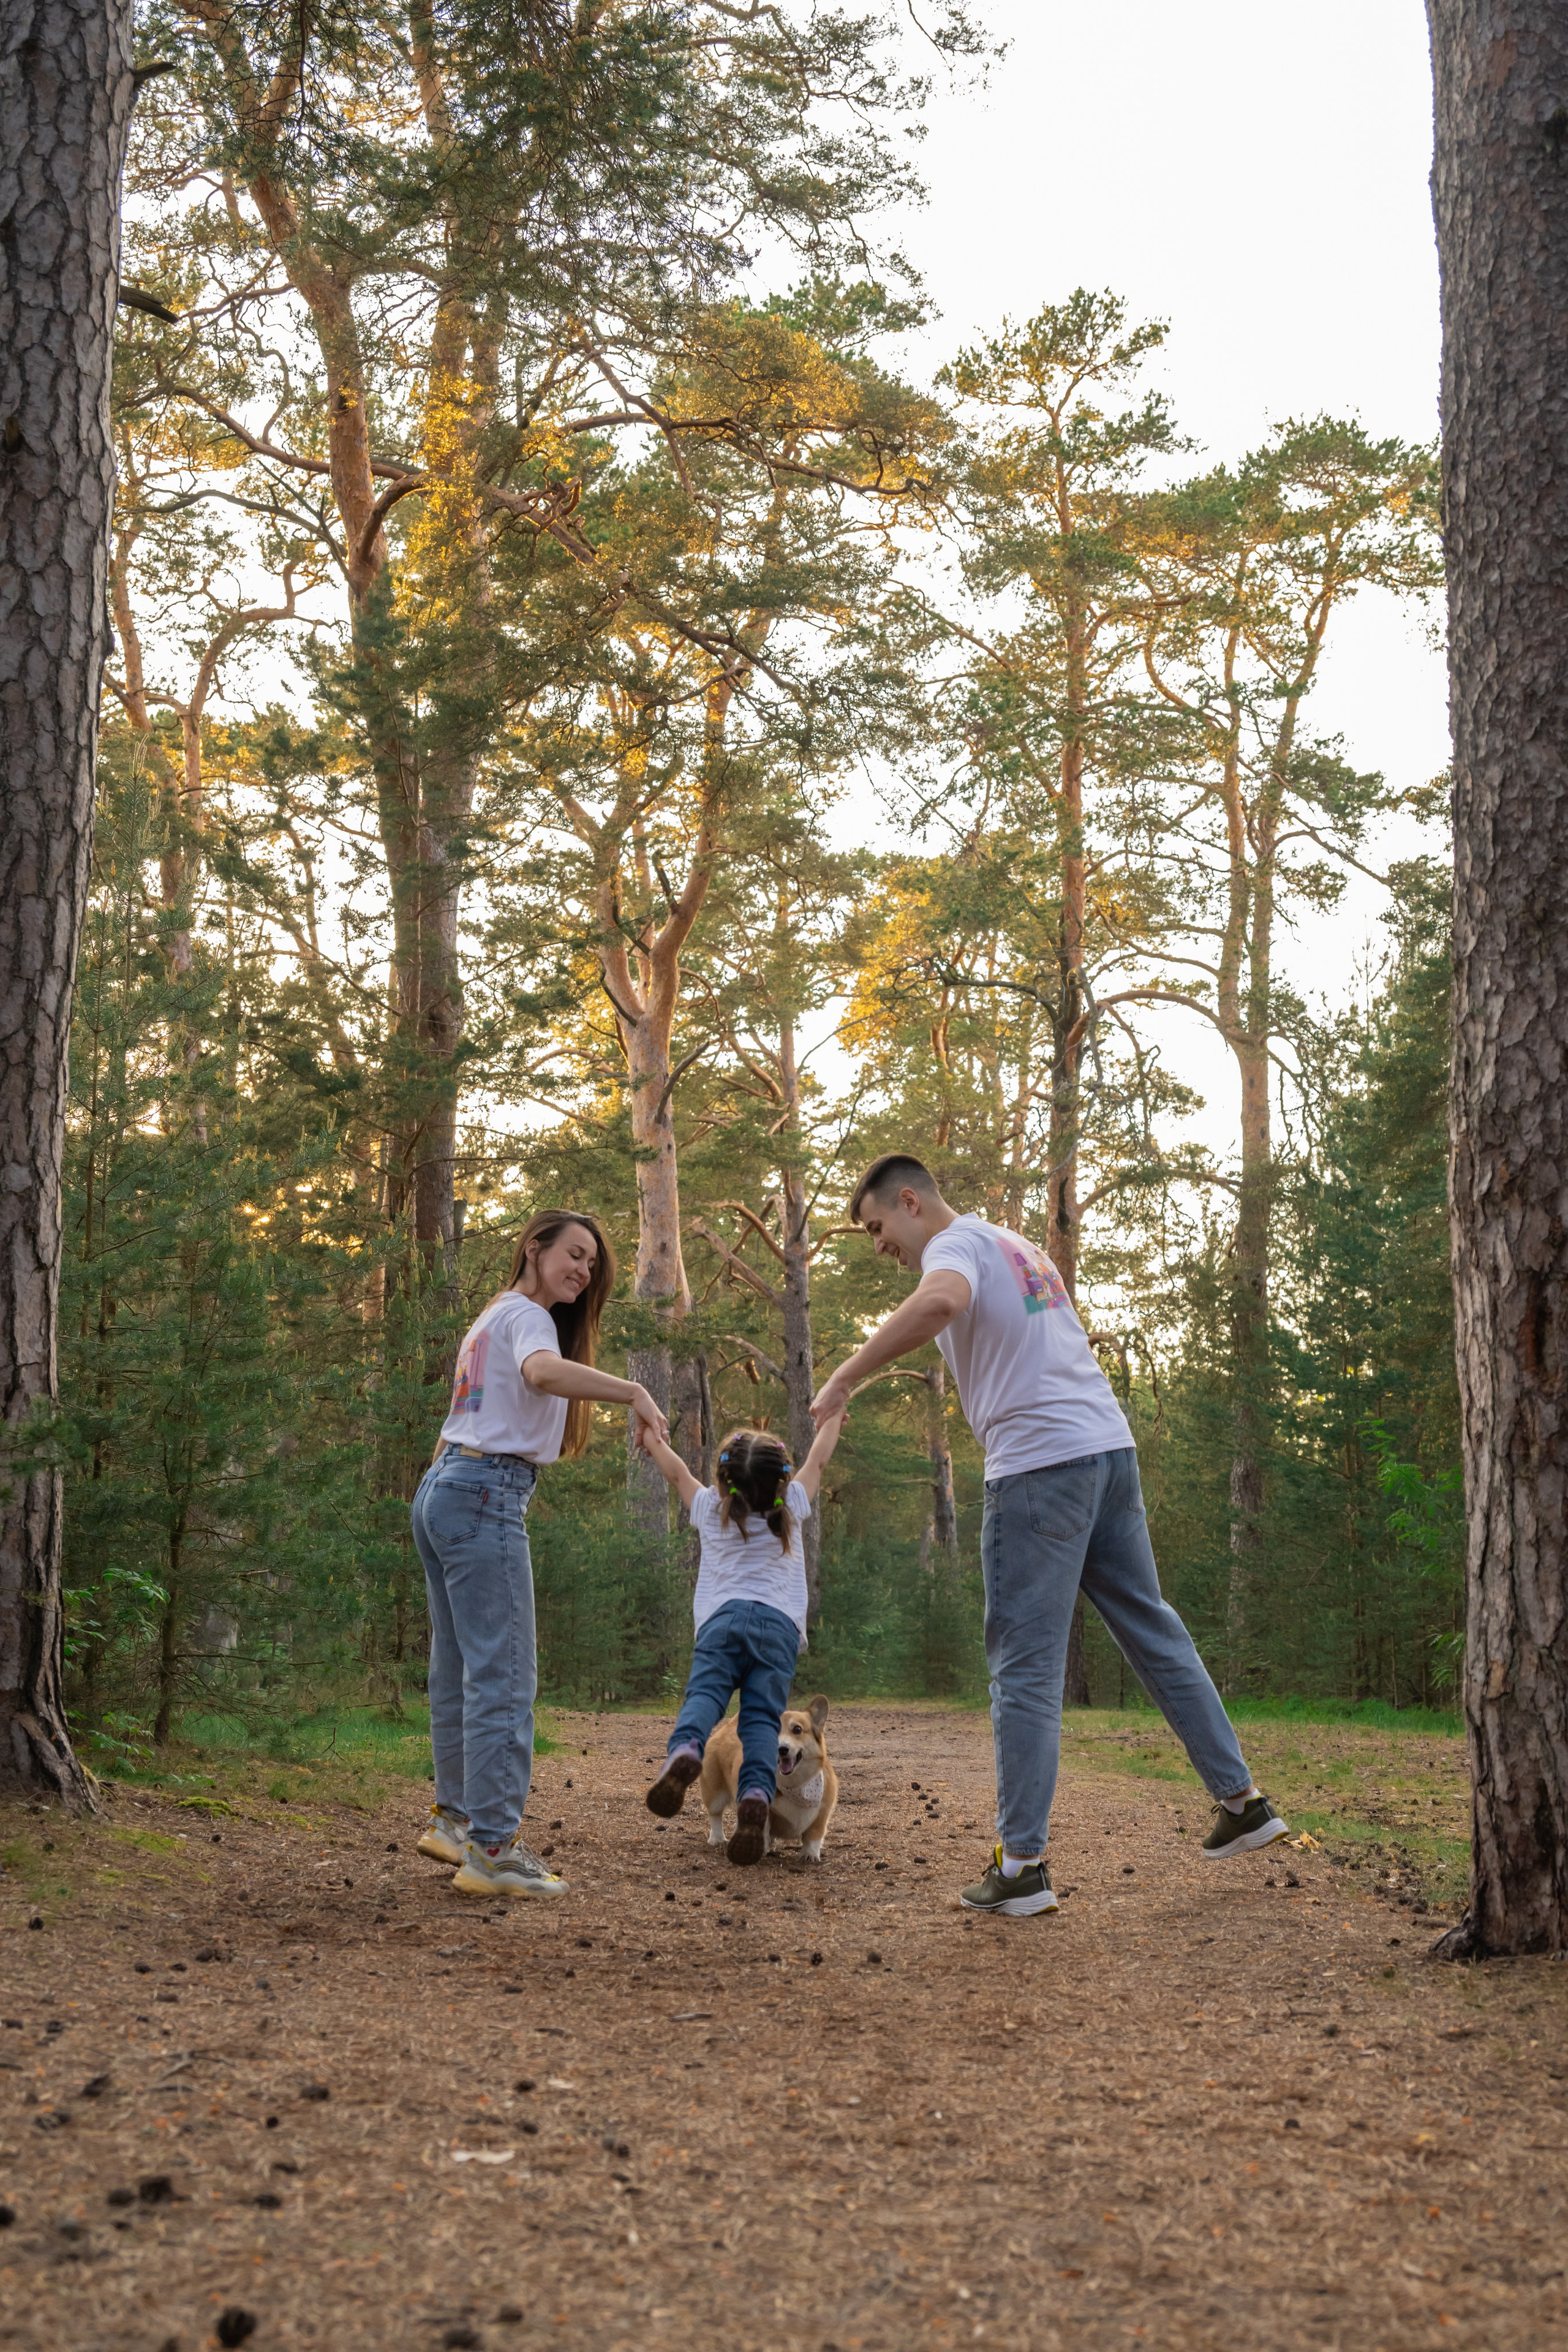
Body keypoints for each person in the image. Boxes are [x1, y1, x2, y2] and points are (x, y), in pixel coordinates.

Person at [809, 1155, 1288, 1920]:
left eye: (877, 1228)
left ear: (910, 1202)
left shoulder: (952, 1249)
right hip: (1107, 1452)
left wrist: (844, 1376)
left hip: (1039, 1469)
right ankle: (1244, 1803)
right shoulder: (1017, 1245)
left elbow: (938, 1304)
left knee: (1023, 1668)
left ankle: (1022, 1867)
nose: (878, 1245)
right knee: (1152, 1629)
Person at [410, 1208, 668, 1899]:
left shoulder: (491, 1316)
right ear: (534, 1249)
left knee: (460, 1667)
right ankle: (493, 1849)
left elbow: (464, 1416)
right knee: (506, 1678)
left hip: (447, 1485)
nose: (584, 1271)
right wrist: (632, 1391)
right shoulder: (529, 1319)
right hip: (483, 1491)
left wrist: (448, 1491)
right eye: (575, 1255)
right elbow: (544, 1373)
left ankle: (456, 1822)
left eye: (592, 1264)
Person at [638, 1414, 845, 1864]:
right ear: (782, 1482)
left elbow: (675, 1472)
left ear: (724, 1479)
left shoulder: (711, 1506)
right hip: (777, 1629)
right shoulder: (792, 1506)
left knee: (705, 1697)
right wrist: (834, 1419)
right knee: (759, 1722)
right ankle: (754, 1791)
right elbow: (820, 1462)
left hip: (721, 1621)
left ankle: (687, 1750)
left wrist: (651, 1439)